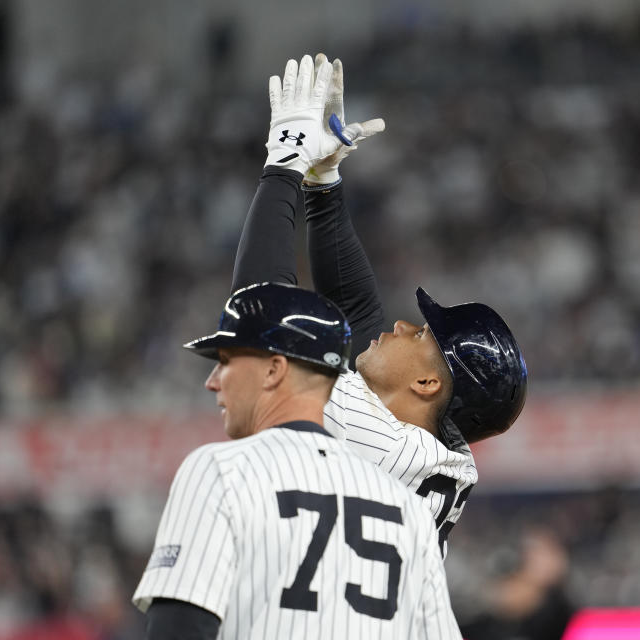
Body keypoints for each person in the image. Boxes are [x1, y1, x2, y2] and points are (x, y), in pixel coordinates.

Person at [231, 53, 528, 554]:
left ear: (428, 383)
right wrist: (323, 184)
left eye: (423, 335)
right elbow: (358, 315)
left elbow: (260, 310)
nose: (403, 325)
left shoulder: (372, 438)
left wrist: (283, 165)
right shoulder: (431, 450)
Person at [132, 281, 463, 640]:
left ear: (274, 370)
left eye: (226, 362)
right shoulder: (409, 511)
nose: (212, 382)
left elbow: (179, 628)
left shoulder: (222, 469)